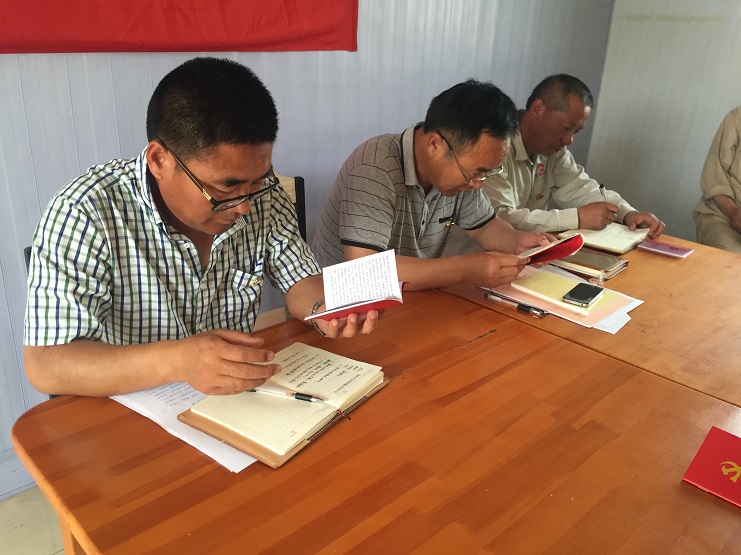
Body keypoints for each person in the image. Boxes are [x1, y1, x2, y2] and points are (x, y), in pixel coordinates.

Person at [24, 57, 378, 398]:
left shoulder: (261, 195)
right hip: (133, 405)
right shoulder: (87, 212)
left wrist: (324, 309)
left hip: (236, 400)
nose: (244, 206)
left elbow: (300, 281)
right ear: (159, 161)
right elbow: (46, 364)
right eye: (225, 189)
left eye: (257, 181)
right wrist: (180, 361)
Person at [310, 79, 552, 291]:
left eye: (487, 174)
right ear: (435, 145)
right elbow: (364, 271)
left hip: (411, 297)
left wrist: (518, 242)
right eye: (476, 173)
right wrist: (463, 269)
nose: (478, 185)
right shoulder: (374, 167)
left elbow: (484, 227)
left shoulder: (458, 174)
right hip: (341, 307)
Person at [483, 74, 665, 237]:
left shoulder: (553, 152)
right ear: (538, 109)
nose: (569, 140)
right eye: (566, 128)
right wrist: (576, 218)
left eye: (576, 132)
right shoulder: (494, 146)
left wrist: (627, 213)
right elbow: (500, 218)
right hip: (483, 255)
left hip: (528, 252)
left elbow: (581, 188)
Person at [693, 107, 741, 253]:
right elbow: (713, 174)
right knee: (732, 258)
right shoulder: (737, 118)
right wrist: (732, 211)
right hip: (722, 214)